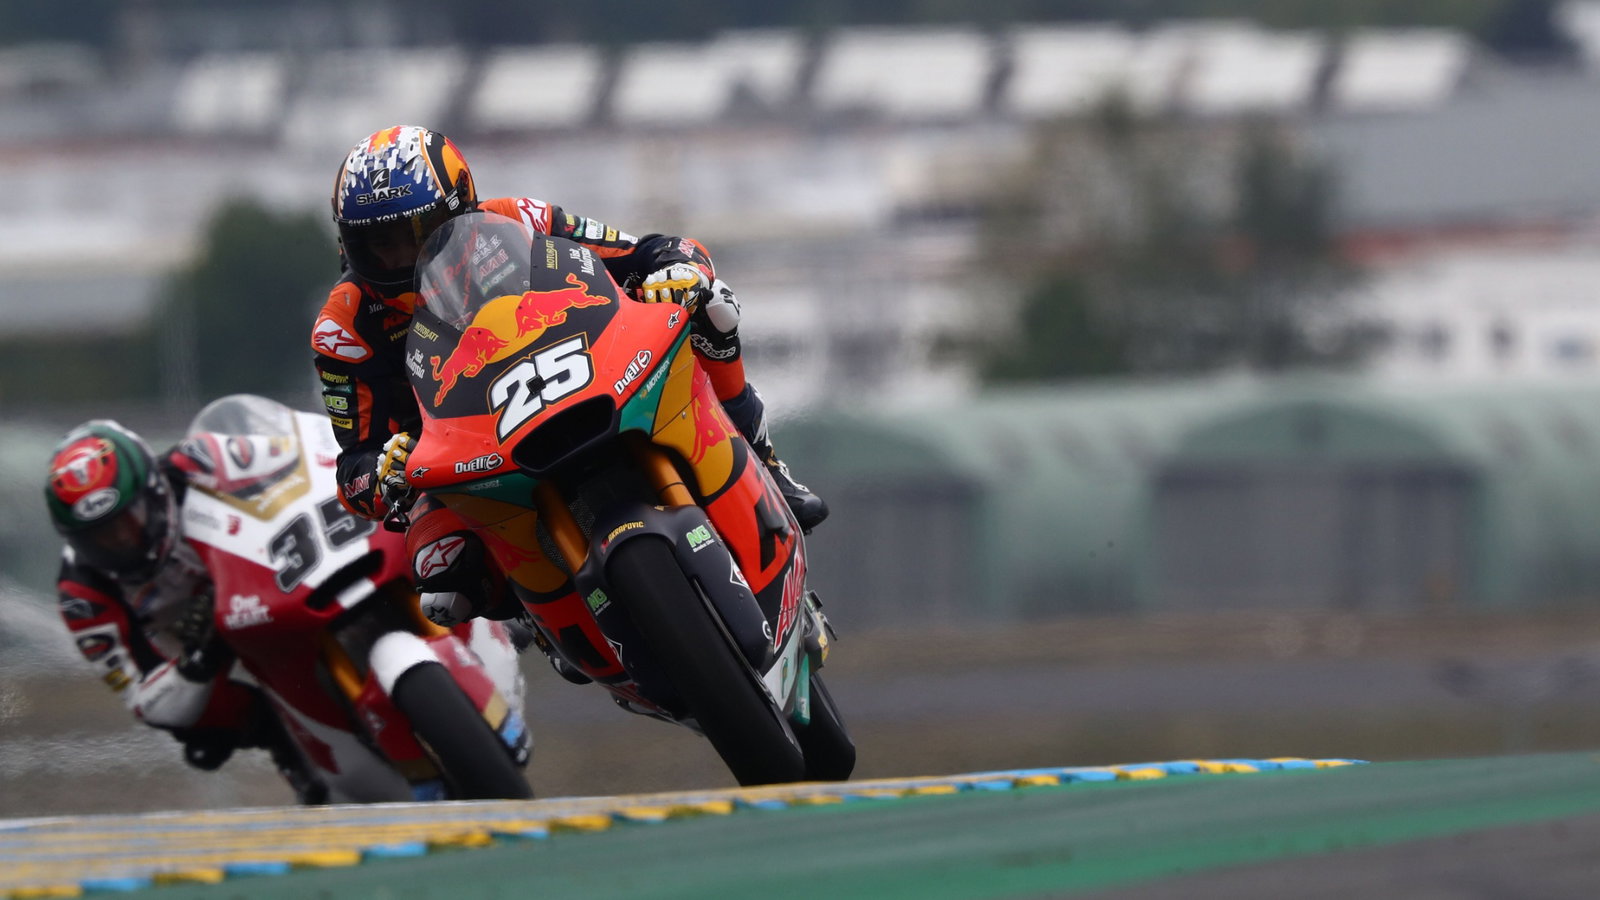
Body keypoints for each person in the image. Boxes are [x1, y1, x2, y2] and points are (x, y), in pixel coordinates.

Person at [311, 125, 827, 631]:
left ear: (461, 209)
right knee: (443, 578)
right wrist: (383, 472)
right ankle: (539, 619)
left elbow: (641, 252)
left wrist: (676, 269)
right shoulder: (343, 328)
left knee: (712, 306)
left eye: (418, 236)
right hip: (463, 451)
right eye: (378, 244)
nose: (402, 258)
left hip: (586, 374)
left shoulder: (519, 220)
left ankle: (765, 461)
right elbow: (354, 466)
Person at [44, 420, 324, 802]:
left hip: (280, 573)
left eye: (129, 520)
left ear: (155, 489)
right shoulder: (81, 593)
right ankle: (293, 752)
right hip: (203, 649)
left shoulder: (198, 461)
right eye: (102, 536)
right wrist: (199, 659)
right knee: (201, 731)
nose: (122, 540)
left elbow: (300, 456)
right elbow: (144, 697)